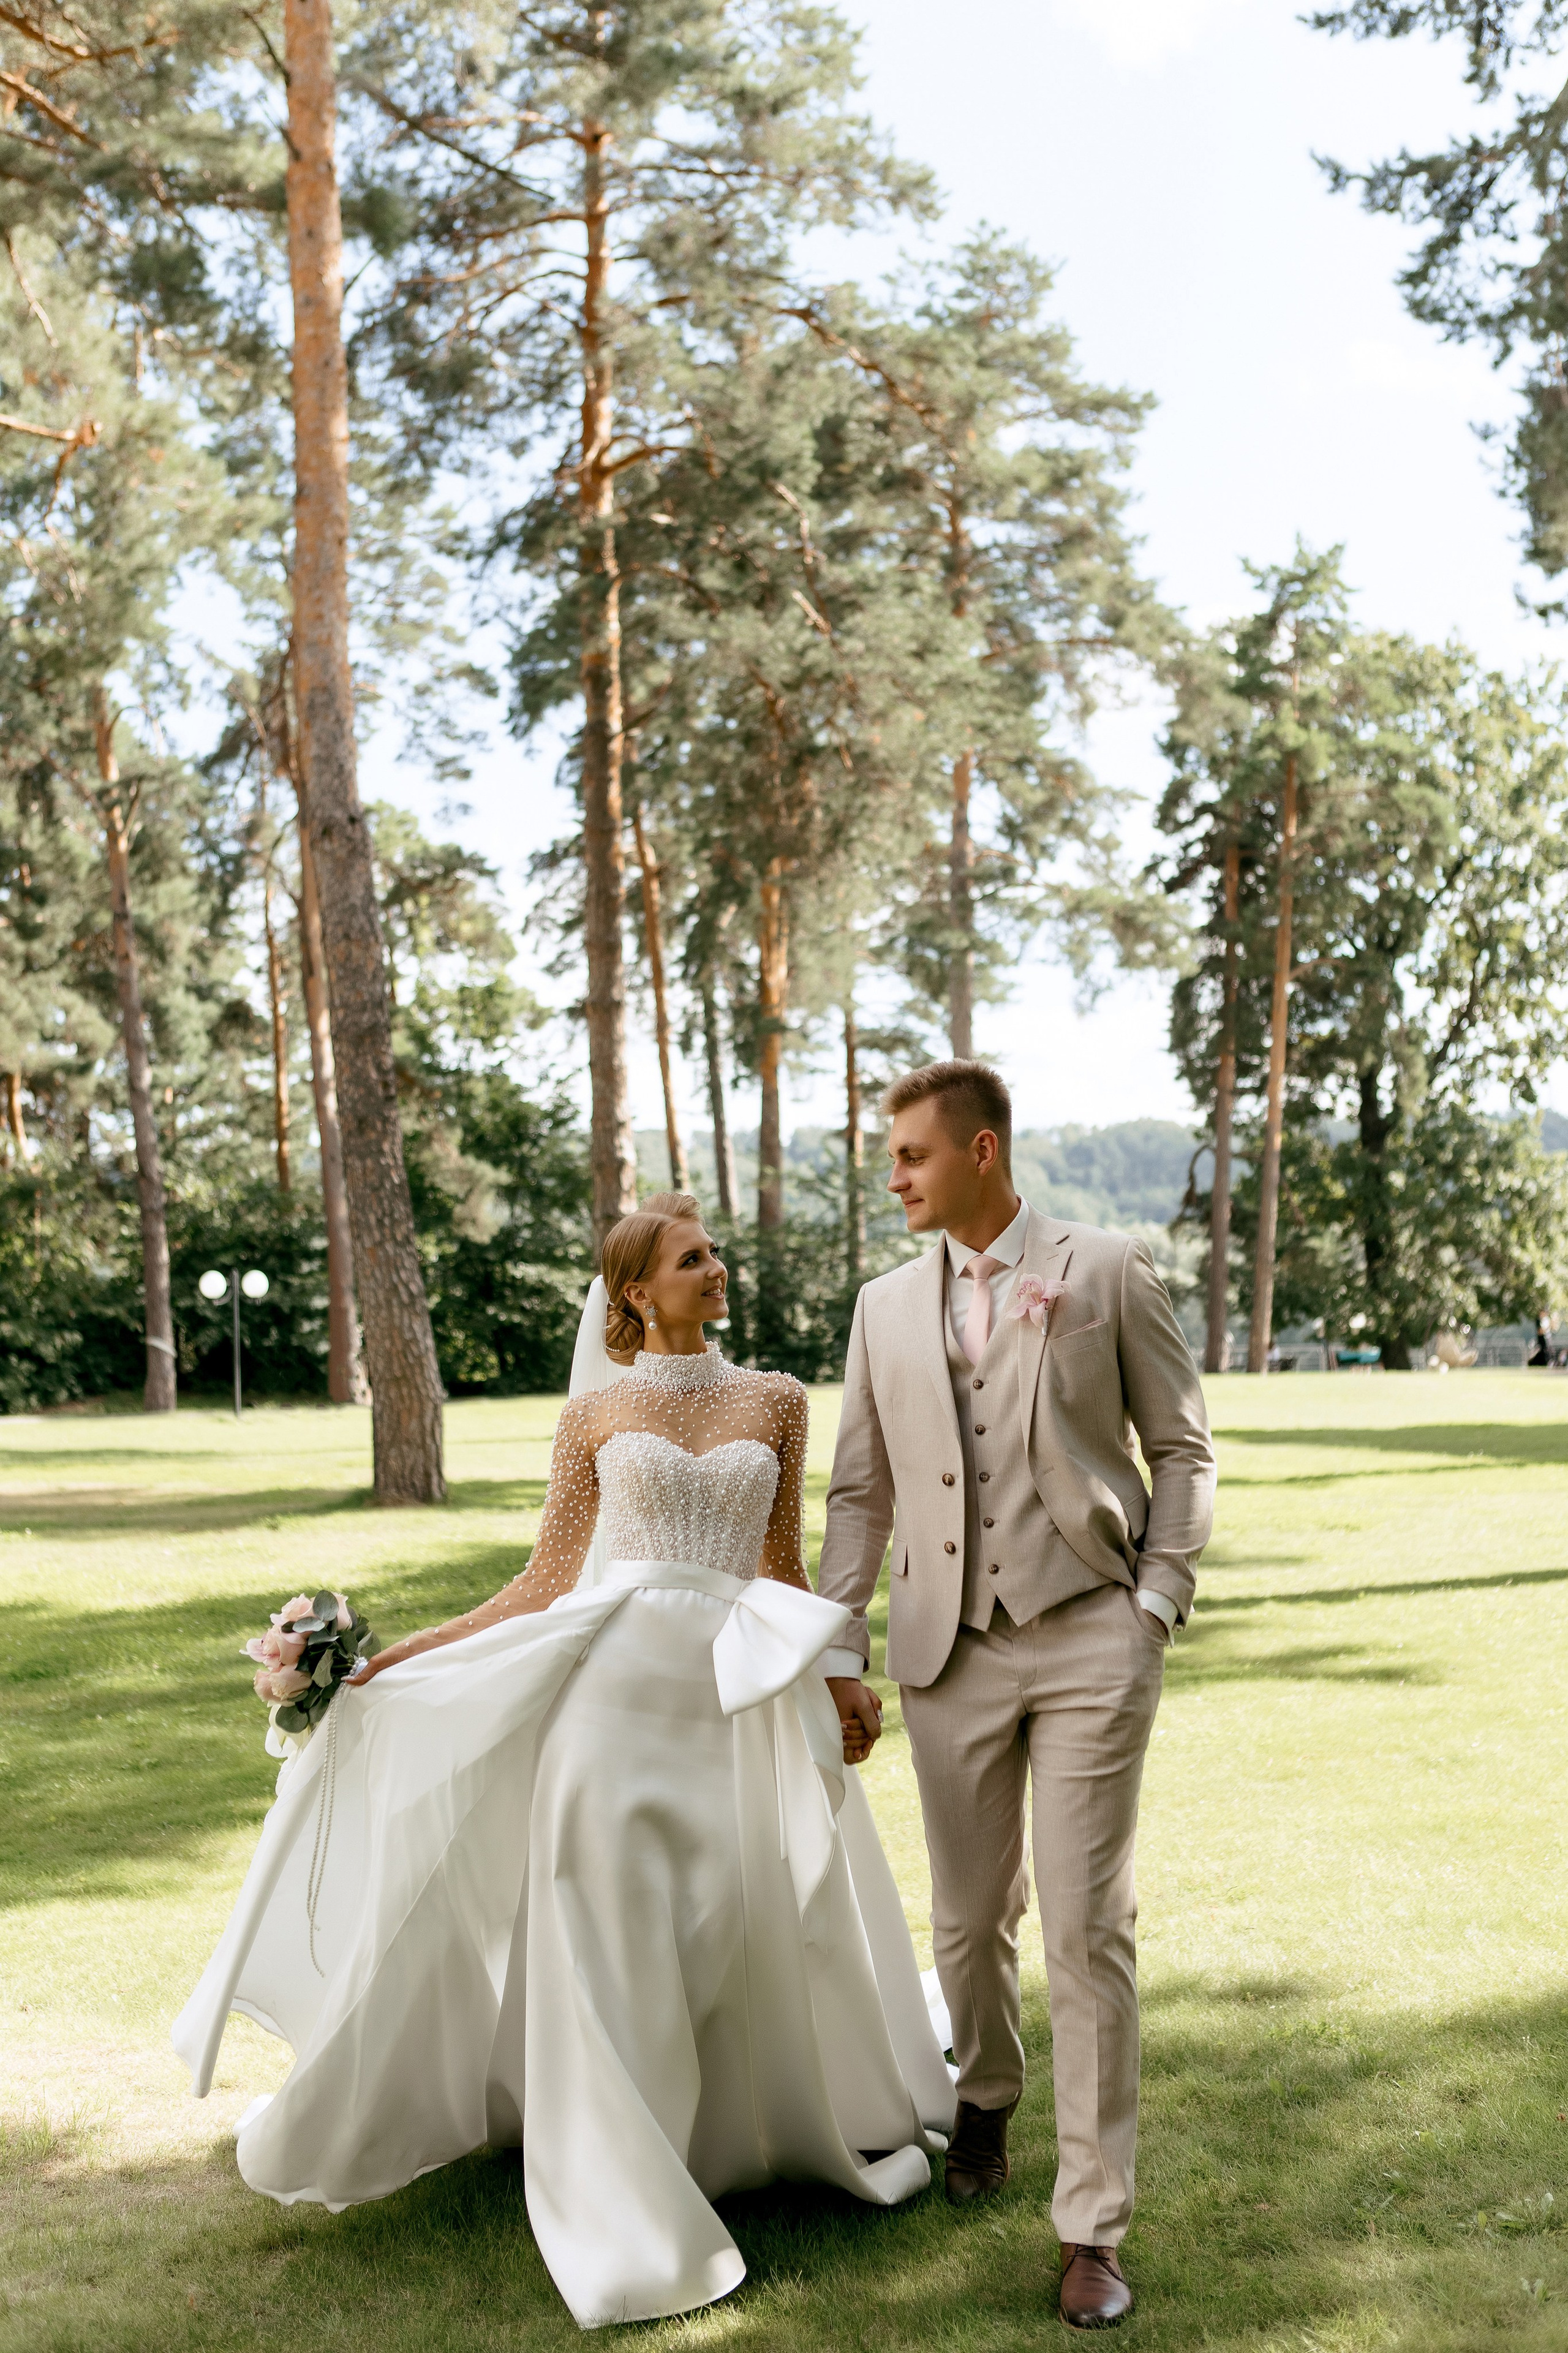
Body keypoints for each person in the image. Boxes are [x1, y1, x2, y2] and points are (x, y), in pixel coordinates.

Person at [173, 1194, 954, 2330]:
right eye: (693, 1259)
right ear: (636, 1291)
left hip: (735, 1700)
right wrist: (400, 1657)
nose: (716, 1269)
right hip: (612, 1702)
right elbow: (546, 1580)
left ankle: (726, 2132)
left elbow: (785, 1561)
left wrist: (840, 1671)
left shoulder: (776, 1401)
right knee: (604, 1923)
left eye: (714, 1254)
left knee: (740, 1913)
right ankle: (619, 2175)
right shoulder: (595, 1411)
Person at [817, 1063, 1215, 2332]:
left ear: (980, 1151)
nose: (894, 1175)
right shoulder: (883, 1307)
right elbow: (858, 1495)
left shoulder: (1101, 1268)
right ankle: (982, 2093)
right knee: (967, 1916)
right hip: (949, 1647)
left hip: (1095, 1632)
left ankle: (1091, 2226)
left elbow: (1181, 1446)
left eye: (912, 1155)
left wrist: (1155, 1599)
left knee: (1086, 1926)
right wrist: (838, 1651)